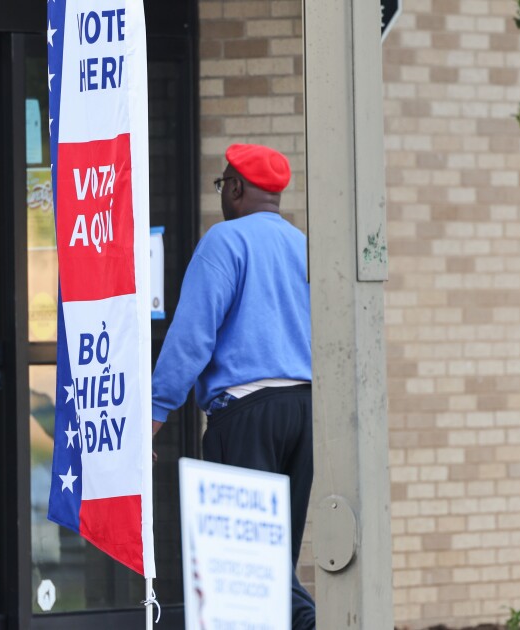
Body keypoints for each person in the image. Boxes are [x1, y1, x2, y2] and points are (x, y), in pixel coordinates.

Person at [150, 144, 316, 629]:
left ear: (237, 188)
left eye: (223, 184)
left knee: (252, 565)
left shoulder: (224, 241)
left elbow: (191, 337)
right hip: (306, 411)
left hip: (247, 414)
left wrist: (155, 413)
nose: (222, 193)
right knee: (275, 560)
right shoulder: (304, 245)